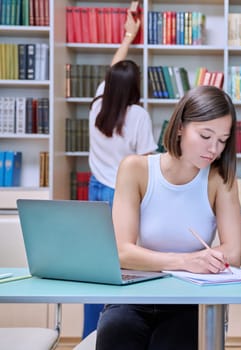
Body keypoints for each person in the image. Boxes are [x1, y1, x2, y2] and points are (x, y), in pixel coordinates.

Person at [95, 84, 241, 350]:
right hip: (135, 293)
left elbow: (233, 253)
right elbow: (121, 252)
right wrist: (187, 261)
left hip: (188, 299)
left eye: (222, 140)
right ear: (179, 127)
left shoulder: (220, 179)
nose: (214, 149)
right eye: (205, 135)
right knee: (116, 331)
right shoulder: (136, 169)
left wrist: (188, 263)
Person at [85, 10, 157, 338]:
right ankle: (118, 334)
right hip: (123, 196)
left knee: (95, 268)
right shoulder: (138, 116)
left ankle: (92, 335)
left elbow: (115, 68)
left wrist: (129, 36)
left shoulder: (97, 104)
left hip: (94, 192)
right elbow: (145, 162)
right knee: (126, 268)